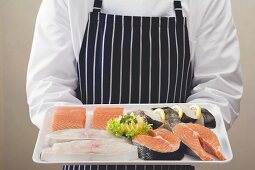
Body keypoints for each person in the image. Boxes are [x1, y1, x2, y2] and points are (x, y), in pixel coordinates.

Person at [26, 0, 243, 170]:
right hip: (86, 157)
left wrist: (178, 135)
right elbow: (48, 86)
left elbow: (219, 89)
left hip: (171, 160)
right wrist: (93, 142)